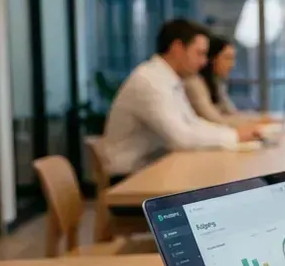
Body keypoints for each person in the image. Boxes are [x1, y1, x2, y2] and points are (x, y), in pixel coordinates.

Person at [99, 19, 263, 177]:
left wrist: (233, 134)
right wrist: (234, 136)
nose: (204, 62)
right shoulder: (150, 82)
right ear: (177, 48)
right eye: (199, 54)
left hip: (153, 168)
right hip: (130, 178)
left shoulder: (169, 79)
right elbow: (181, 138)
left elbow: (192, 123)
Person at [185, 34, 267, 128]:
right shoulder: (194, 82)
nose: (232, 64)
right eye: (227, 58)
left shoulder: (216, 83)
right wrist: (256, 123)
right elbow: (215, 120)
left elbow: (232, 113)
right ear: (212, 59)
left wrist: (259, 119)